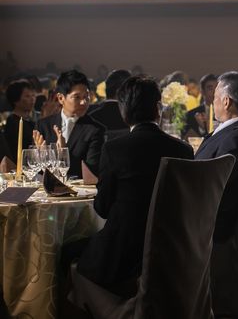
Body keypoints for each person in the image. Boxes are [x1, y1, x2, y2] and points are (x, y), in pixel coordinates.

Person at [74, 76, 194, 295]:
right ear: (158, 108)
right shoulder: (183, 150)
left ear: (124, 111)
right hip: (171, 251)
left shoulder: (114, 149)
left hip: (122, 255)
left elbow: (102, 208)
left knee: (66, 253)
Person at [194, 71, 238, 241]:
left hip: (209, 218)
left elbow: (214, 181)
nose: (212, 102)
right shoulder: (236, 130)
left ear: (226, 101)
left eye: (215, 97)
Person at [35, 70, 104, 178]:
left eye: (86, 96)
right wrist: (43, 156)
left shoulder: (95, 129)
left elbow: (91, 171)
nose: (84, 102)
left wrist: (63, 155)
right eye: (77, 97)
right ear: (61, 98)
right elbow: (34, 168)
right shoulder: (43, 125)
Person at [4, 79, 36, 163]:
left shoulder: (29, 120)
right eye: (27, 96)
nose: (32, 99)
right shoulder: (13, 123)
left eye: (33, 95)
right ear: (16, 100)